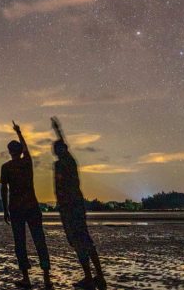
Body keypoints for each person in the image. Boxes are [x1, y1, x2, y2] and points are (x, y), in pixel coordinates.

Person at [51, 117, 107, 290]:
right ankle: (93, 276)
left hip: (72, 207)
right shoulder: (61, 163)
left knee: (81, 241)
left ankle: (94, 276)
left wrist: (58, 130)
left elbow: (64, 143)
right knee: (80, 242)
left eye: (58, 148)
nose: (56, 151)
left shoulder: (67, 161)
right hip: (68, 207)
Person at [0, 121, 53, 289]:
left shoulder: (6, 167)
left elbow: (4, 190)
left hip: (16, 208)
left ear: (10, 152)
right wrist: (19, 132)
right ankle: (46, 278)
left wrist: (5, 210)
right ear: (20, 151)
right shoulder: (27, 162)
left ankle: (26, 278)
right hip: (32, 206)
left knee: (20, 243)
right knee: (39, 240)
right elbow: (26, 149)